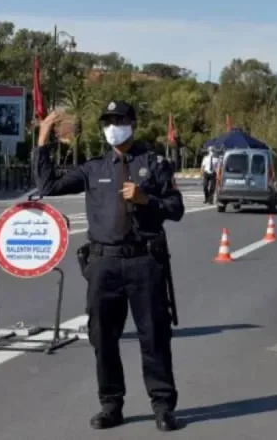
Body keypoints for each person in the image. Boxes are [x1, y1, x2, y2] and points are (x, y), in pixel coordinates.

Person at [33, 101, 184, 432]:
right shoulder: (94, 168)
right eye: (108, 121)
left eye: (119, 120)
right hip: (104, 264)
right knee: (102, 338)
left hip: (144, 261)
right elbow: (48, 187)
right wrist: (44, 136)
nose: (113, 126)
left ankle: (162, 406)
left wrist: (146, 200)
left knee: (154, 336)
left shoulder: (155, 164)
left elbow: (175, 209)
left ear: (133, 123)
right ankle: (111, 405)